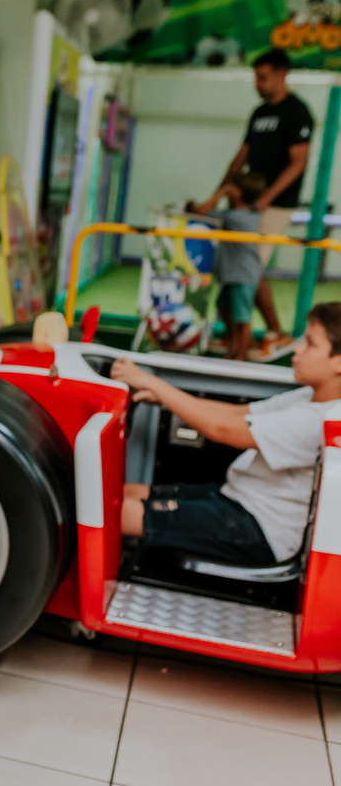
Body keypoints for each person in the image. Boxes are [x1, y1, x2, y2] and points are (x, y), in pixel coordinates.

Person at [111, 302, 341, 566]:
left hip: (258, 527)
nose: (297, 348)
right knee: (126, 492)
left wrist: (153, 383)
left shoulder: (319, 418)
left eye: (310, 343)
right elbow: (235, 414)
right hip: (238, 499)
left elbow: (222, 429)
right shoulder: (309, 397)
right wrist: (165, 399)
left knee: (119, 512)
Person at [219, 48, 314, 361]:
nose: (257, 84)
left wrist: (264, 201)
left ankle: (276, 333)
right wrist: (217, 195)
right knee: (235, 266)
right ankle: (234, 333)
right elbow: (240, 156)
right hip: (247, 205)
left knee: (249, 268)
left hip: (274, 205)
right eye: (255, 78)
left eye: (262, 78)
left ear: (281, 74)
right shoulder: (259, 113)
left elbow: (298, 163)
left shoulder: (297, 112)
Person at [186, 171, 267, 360]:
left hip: (242, 275)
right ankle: (235, 346)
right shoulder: (250, 211)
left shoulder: (235, 216)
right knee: (223, 305)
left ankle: (240, 358)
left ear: (237, 193)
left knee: (242, 320)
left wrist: (221, 193)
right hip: (234, 274)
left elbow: (201, 212)